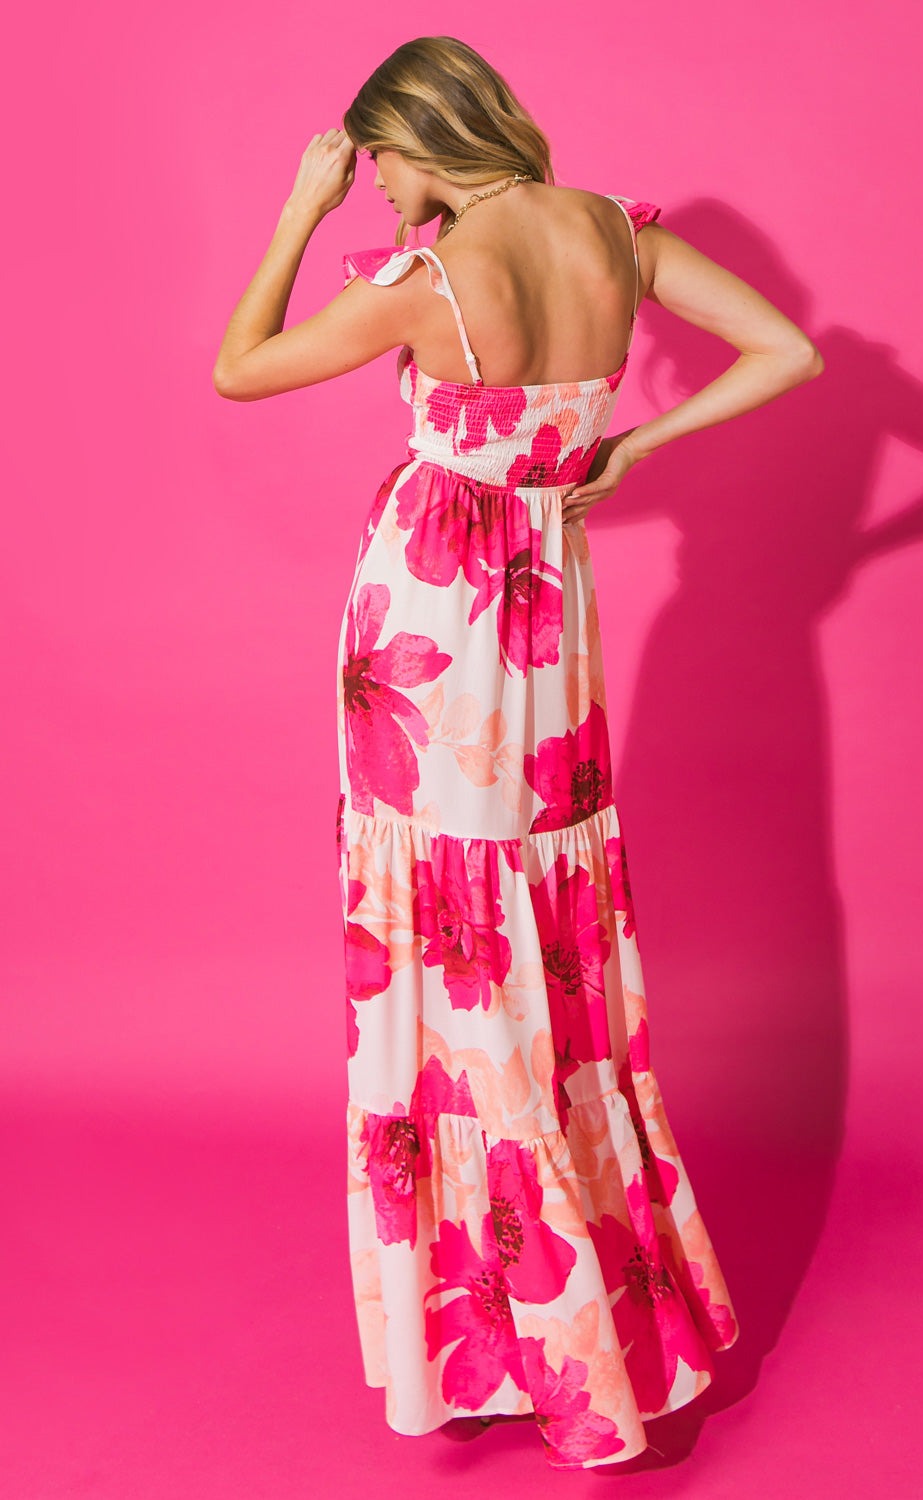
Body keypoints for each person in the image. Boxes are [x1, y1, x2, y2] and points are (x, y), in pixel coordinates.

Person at [214, 34, 823, 1472]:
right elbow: (792, 352)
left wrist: (300, 211)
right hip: (550, 624)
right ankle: (588, 1307)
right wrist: (636, 450)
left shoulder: (421, 287)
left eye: (382, 165)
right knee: (540, 937)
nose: (380, 193)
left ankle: (519, 1335)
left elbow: (239, 369)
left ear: (423, 142)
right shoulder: (614, 231)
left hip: (426, 631)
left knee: (448, 947)